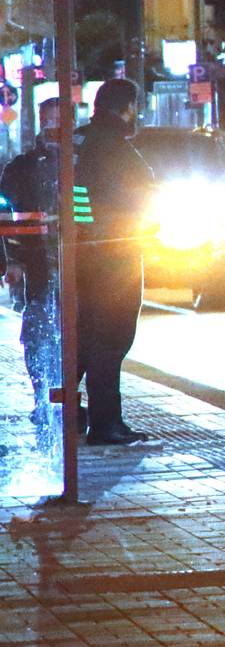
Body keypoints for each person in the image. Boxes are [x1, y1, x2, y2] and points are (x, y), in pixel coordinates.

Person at [70, 79, 154, 444]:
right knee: (110, 338)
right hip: (113, 256)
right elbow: (114, 200)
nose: (138, 112)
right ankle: (105, 424)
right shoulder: (110, 146)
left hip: (96, 253)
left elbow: (81, 204)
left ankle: (91, 416)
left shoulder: (87, 142)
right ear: (126, 106)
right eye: (136, 105)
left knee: (94, 338)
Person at [4, 97, 66, 433]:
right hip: (39, 269)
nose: (55, 126)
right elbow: (9, 217)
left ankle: (65, 398)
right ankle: (43, 397)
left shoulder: (78, 161)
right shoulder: (23, 167)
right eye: (50, 119)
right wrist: (13, 261)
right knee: (39, 334)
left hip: (75, 267)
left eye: (61, 119)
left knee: (71, 337)